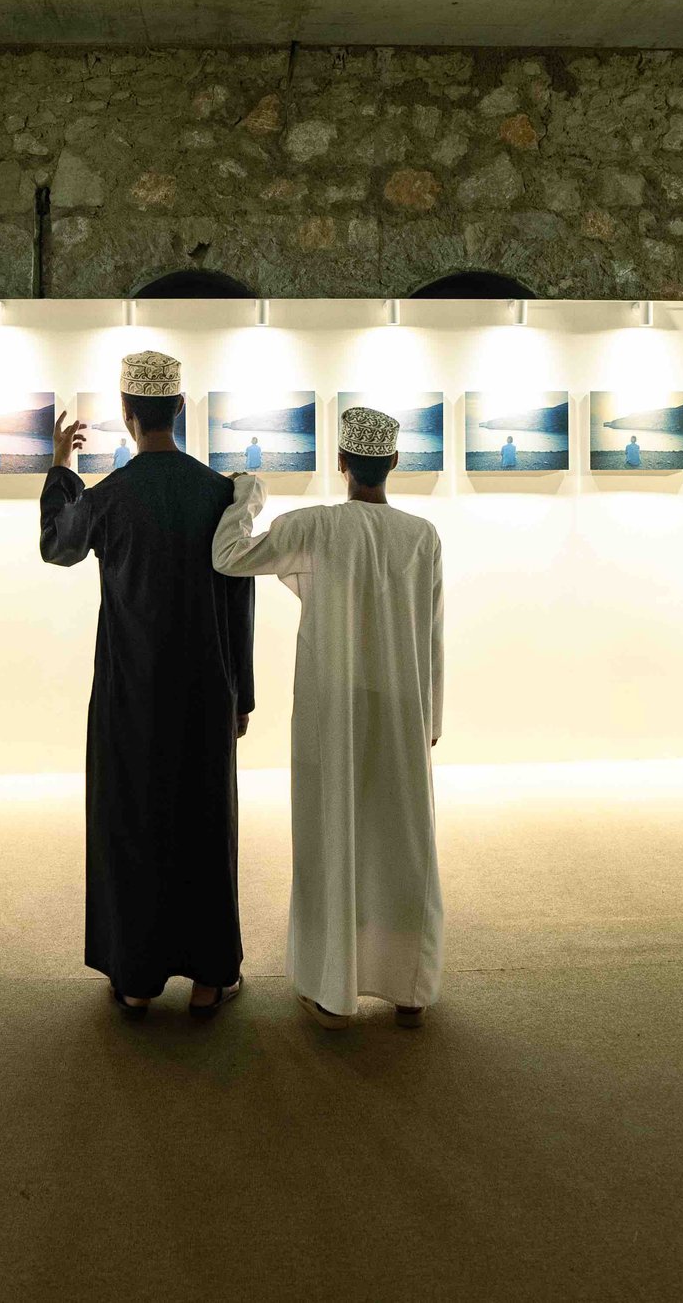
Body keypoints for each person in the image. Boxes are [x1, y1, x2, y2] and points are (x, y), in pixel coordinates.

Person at [213, 406, 445, 1030]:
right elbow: (432, 633)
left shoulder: (313, 527)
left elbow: (227, 556)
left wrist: (245, 495)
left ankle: (333, 990)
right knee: (402, 837)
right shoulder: (421, 536)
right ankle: (409, 988)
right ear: (393, 463)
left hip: (330, 703)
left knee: (331, 834)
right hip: (401, 707)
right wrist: (432, 717)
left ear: (341, 463)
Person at [41, 351, 256, 1017]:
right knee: (203, 821)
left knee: (131, 822)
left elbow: (58, 544)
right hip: (205, 689)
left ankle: (134, 977)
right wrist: (241, 693)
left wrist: (61, 466)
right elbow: (239, 601)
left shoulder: (109, 497)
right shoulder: (220, 493)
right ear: (181, 409)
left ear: (128, 416)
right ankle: (211, 977)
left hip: (129, 695)